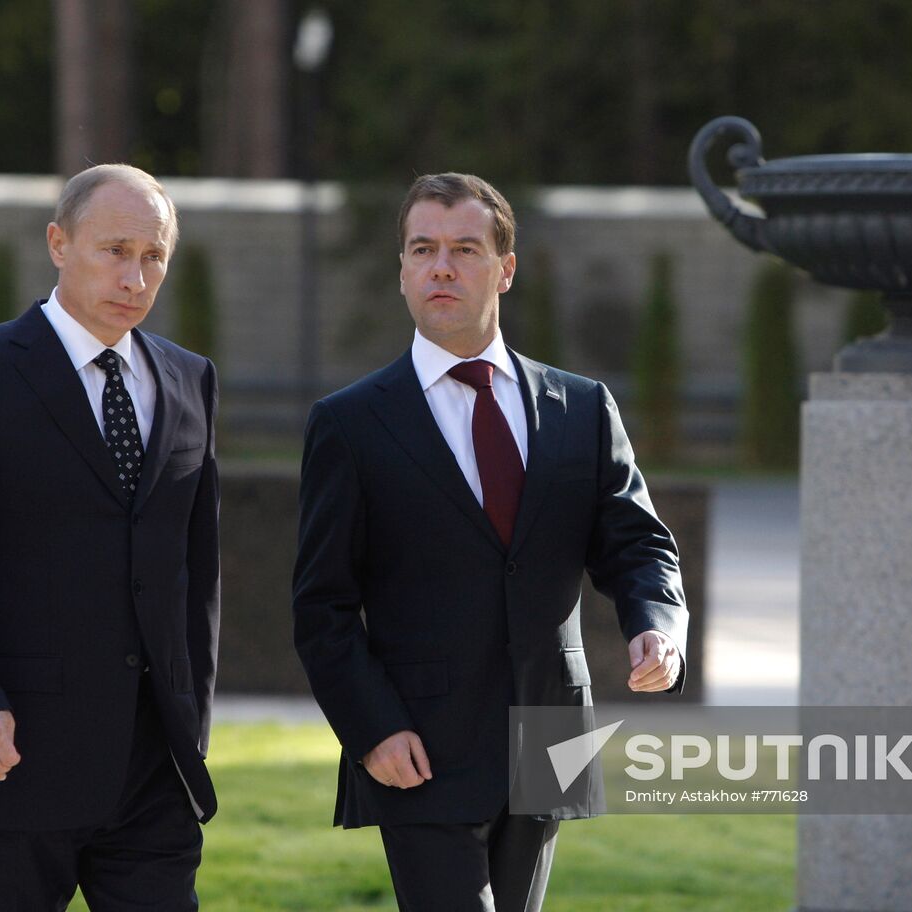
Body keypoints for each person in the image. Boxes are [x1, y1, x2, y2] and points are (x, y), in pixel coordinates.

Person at [292, 172, 688, 912]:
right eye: (423, 249)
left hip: (549, 731)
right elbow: (322, 606)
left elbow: (636, 543)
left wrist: (656, 625)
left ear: (505, 269)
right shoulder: (349, 425)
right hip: (417, 742)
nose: (442, 266)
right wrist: (372, 729)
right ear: (403, 270)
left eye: (465, 249)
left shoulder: (581, 407)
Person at [0, 163, 220, 910]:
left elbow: (195, 570)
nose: (136, 275)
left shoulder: (190, 379)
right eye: (115, 249)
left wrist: (189, 720)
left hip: (150, 775)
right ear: (58, 243)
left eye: (154, 255)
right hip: (5, 760)